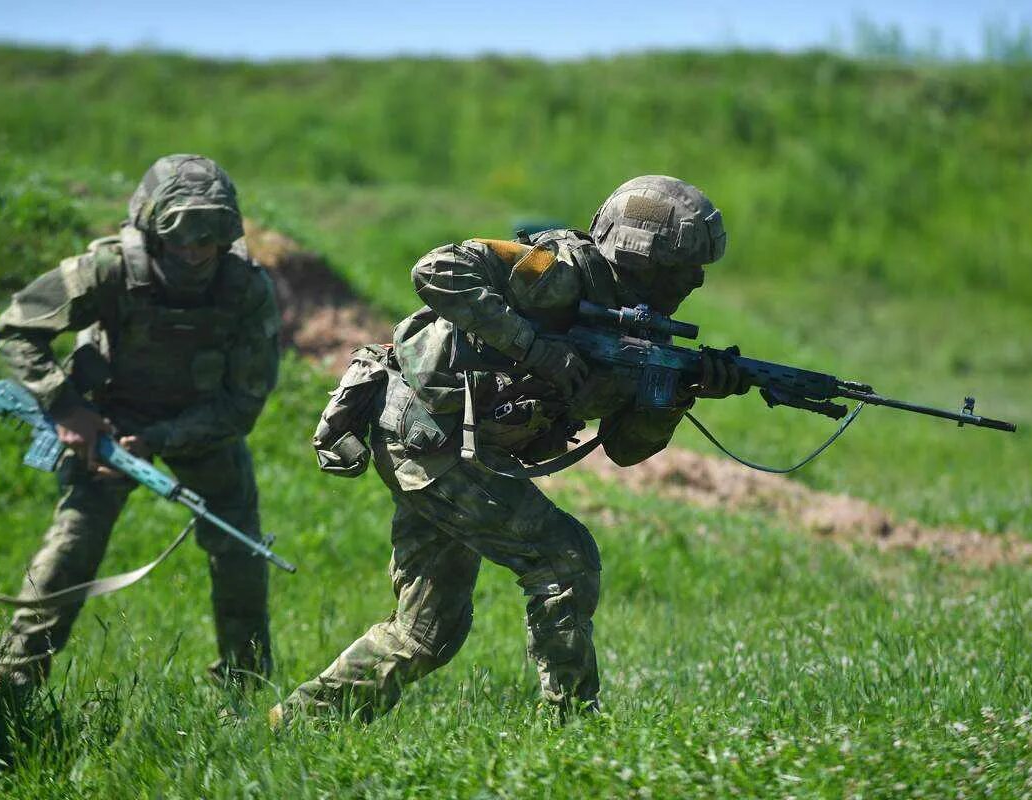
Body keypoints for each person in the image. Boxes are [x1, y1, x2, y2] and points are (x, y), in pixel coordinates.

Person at [272, 175, 745, 726]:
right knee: (563, 558)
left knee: (426, 634)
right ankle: (571, 725)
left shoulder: (647, 336)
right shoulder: (556, 273)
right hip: (428, 435)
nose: (696, 280)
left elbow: (623, 449)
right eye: (683, 266)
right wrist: (535, 349)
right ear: (642, 255)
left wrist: (677, 395)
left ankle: (301, 720)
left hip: (456, 448)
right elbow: (435, 270)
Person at [0, 154, 280, 693]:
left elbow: (243, 405)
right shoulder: (110, 270)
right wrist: (67, 407)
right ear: (152, 229)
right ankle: (10, 683)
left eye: (208, 238)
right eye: (180, 237)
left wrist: (162, 440)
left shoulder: (246, 291)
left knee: (240, 550)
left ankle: (246, 690)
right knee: (73, 546)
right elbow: (16, 328)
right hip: (105, 423)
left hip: (202, 426)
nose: (194, 254)